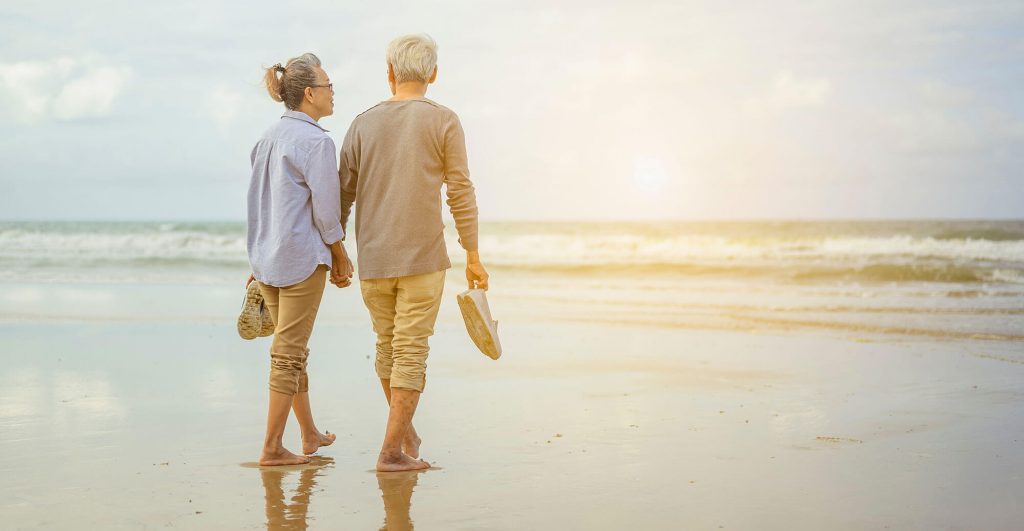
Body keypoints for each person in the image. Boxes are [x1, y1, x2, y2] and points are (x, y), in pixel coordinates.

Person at [339, 34, 489, 472]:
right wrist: (473, 253)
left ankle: (403, 435)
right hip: (423, 258)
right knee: (410, 349)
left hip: (373, 258)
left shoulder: (361, 123)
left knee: (388, 346)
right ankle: (391, 452)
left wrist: (336, 249)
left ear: (389, 73)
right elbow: (460, 190)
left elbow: (342, 194)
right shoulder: (444, 120)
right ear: (433, 74)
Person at [248, 52, 354, 466]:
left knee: (292, 350)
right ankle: (273, 448)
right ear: (310, 94)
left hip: (268, 260)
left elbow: (263, 205)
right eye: (328, 86)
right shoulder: (316, 142)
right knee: (288, 354)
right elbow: (326, 212)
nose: (333, 93)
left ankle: (308, 434)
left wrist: (255, 261)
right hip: (300, 261)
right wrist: (340, 255)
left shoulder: (266, 138)